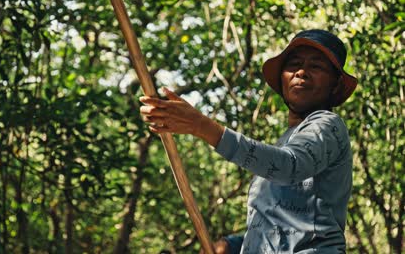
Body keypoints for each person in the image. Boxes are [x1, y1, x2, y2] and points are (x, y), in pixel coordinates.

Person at [139, 29, 358, 253]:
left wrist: (202, 126)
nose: (302, 72)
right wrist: (231, 246)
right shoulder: (286, 141)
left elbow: (289, 166)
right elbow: (276, 228)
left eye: (316, 66)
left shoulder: (328, 125)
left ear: (336, 84)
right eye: (294, 64)